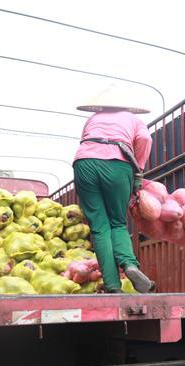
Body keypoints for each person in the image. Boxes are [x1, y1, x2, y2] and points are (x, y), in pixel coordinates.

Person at [73, 85, 154, 294]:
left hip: (85, 163)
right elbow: (145, 139)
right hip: (118, 165)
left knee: (100, 227)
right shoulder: (133, 119)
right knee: (117, 223)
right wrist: (139, 171)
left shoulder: (92, 119)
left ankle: (112, 285)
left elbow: (85, 141)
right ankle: (129, 265)